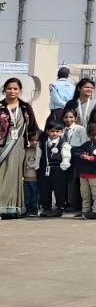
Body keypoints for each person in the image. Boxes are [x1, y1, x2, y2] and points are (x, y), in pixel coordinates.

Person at [1, 77, 41, 218]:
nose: (12, 91)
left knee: (15, 176)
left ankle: (13, 208)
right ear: (4, 90)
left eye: (15, 88)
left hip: (19, 148)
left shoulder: (25, 107)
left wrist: (34, 139)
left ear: (20, 90)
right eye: (9, 88)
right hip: (2, 147)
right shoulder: (0, 106)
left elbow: (32, 127)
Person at [36, 117, 70, 217]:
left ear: (61, 132)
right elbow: (38, 155)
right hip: (45, 169)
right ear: (47, 131)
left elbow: (66, 156)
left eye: (57, 131)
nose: (54, 133)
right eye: (52, 131)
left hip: (58, 169)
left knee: (59, 189)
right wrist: (37, 165)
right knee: (45, 189)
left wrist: (64, 165)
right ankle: (46, 208)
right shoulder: (43, 143)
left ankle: (59, 208)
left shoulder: (64, 144)